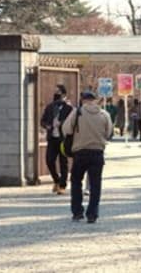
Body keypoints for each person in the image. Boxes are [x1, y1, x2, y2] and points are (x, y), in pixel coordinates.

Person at [62, 91, 112, 224]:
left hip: (80, 152)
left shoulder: (77, 112)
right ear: (94, 100)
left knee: (76, 181)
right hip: (97, 153)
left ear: (83, 100)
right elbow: (109, 133)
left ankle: (77, 212)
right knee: (96, 184)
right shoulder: (104, 114)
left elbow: (66, 129)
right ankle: (92, 214)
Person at [40, 84, 74, 194]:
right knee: (49, 160)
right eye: (55, 92)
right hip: (52, 138)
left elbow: (72, 123)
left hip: (63, 139)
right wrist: (47, 125)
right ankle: (56, 180)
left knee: (63, 162)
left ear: (64, 95)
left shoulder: (69, 109)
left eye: (59, 92)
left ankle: (62, 185)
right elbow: (43, 121)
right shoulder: (50, 107)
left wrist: (62, 123)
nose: (57, 95)